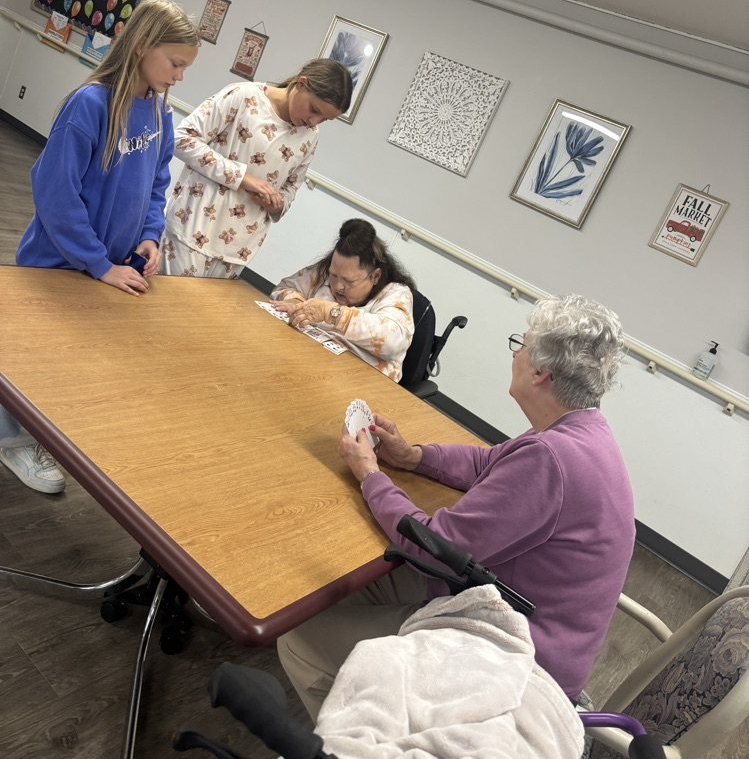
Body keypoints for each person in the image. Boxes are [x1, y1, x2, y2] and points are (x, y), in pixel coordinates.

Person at [278, 294, 635, 719]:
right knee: (338, 590)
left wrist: (371, 475)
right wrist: (412, 456)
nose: (516, 353)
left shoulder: (550, 460)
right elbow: (488, 462)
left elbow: (432, 545)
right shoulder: (579, 430)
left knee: (297, 641)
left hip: (514, 660)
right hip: (513, 600)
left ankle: (366, 737)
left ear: (541, 373)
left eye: (521, 344)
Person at [1, 0, 200, 495]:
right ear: (143, 46)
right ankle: (10, 441)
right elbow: (55, 193)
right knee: (28, 357)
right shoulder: (89, 104)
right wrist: (96, 262)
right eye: (175, 63)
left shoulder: (158, 110)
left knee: (69, 359)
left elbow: (158, 182)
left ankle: (32, 432)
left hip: (104, 266)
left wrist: (151, 234)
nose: (179, 76)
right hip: (56, 264)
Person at [161, 59, 352, 278]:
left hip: (238, 250)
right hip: (191, 231)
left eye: (324, 119)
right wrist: (242, 177)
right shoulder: (244, 96)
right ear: (301, 83)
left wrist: (276, 204)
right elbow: (182, 140)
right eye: (314, 109)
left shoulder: (311, 136)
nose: (313, 121)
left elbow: (291, 188)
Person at [270, 219, 416, 382]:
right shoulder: (324, 272)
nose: (338, 286)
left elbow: (393, 342)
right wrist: (295, 303)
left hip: (361, 383)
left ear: (375, 276)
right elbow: (282, 288)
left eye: (349, 281)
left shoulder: (396, 293)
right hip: (310, 368)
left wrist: (333, 314)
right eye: (334, 275)